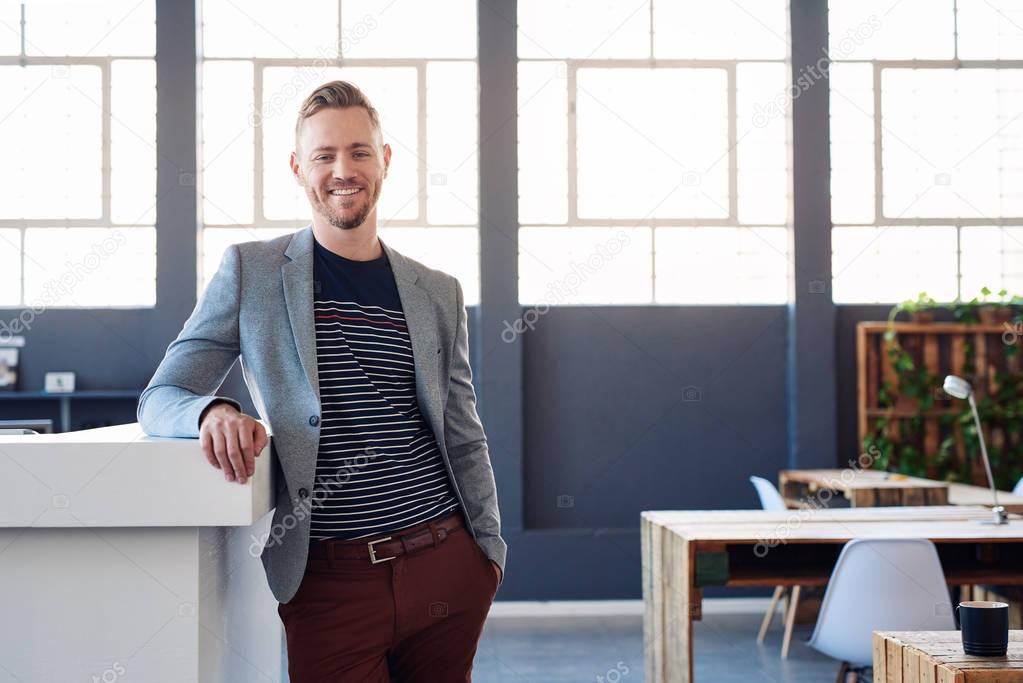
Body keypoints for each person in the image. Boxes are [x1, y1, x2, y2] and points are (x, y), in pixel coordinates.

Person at [137, 80, 506, 682]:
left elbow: (463, 433)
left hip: (446, 565)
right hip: (330, 582)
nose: (343, 170)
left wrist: (487, 554)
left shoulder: (438, 291)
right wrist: (212, 412)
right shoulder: (249, 272)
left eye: (360, 152)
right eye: (324, 155)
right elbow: (161, 396)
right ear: (297, 168)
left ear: (384, 161)